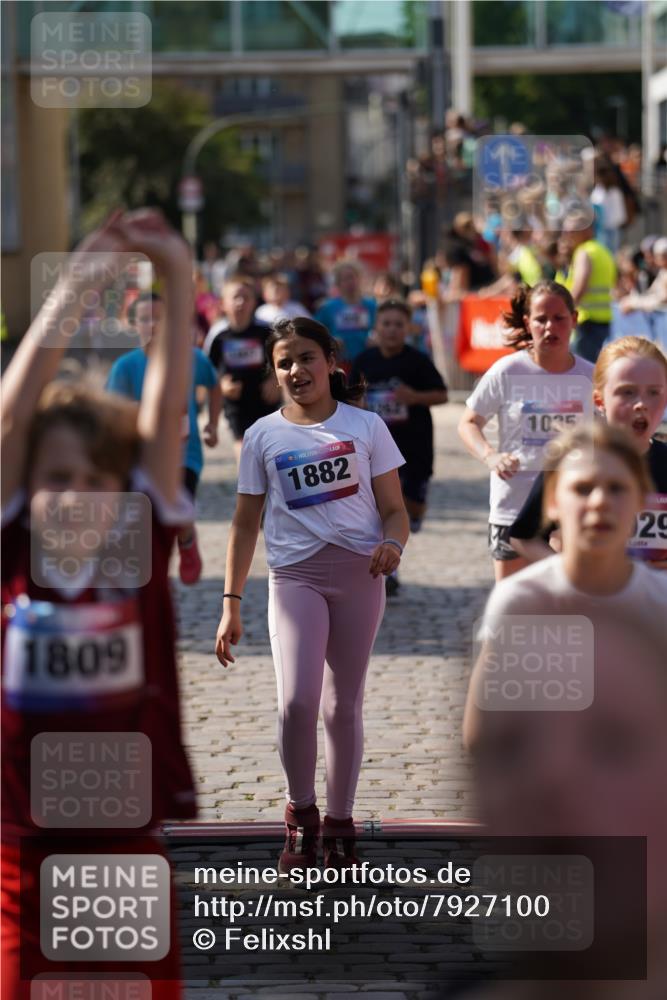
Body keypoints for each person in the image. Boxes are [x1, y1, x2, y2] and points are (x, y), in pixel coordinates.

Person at [1, 209, 197, 998]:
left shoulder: (134, 545)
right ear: (27, 488)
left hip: (123, 842)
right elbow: (12, 414)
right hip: (20, 848)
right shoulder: (12, 548)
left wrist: (174, 272)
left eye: (95, 481)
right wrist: (78, 286)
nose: (76, 495)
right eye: (57, 479)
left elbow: (166, 409)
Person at [461, 422, 667, 1000]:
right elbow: (482, 735)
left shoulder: (658, 606)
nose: (598, 502)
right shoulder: (525, 602)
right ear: (552, 502)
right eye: (581, 488)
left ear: (641, 500)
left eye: (616, 488)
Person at [214, 316, 408, 872]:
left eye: (306, 358)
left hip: (359, 577)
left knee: (341, 705)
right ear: (274, 374)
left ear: (330, 362)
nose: (297, 370)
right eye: (284, 363)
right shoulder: (262, 435)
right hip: (294, 579)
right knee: (297, 702)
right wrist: (230, 603)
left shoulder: (366, 426)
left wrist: (393, 543)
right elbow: (244, 524)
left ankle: (341, 822)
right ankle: (301, 815)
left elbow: (394, 509)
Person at [458, 280, 594, 581]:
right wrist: (490, 456)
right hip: (513, 506)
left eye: (559, 318)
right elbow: (469, 422)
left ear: (574, 319)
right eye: (541, 319)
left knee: (564, 597)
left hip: (569, 506)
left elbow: (612, 436)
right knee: (514, 602)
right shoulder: (507, 371)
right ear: (527, 322)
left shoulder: (591, 377)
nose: (550, 327)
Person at [510, 335, 667, 569]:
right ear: (599, 400)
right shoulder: (574, 460)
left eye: (654, 392)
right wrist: (571, 572)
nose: (641, 403)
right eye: (627, 392)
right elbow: (523, 536)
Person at [107, 291, 222, 584]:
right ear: (134, 324)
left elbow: (214, 384)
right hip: (143, 455)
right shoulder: (125, 367)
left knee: (176, 507)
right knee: (151, 521)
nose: (153, 325)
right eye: (146, 319)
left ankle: (186, 541)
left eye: (160, 318)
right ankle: (157, 570)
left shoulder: (191, 359)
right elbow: (112, 411)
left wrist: (212, 424)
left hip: (186, 454)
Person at [351, 298, 448, 595]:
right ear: (376, 327)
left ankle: (413, 517)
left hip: (414, 444)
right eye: (386, 324)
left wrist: (414, 397)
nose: (392, 330)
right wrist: (358, 405)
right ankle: (389, 569)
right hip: (375, 447)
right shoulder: (364, 361)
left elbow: (442, 394)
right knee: (384, 507)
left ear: (408, 329)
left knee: (412, 503)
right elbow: (348, 398)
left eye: (398, 325)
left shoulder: (417, 360)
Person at [204, 275, 280, 462]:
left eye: (246, 297)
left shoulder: (266, 333)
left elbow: (281, 361)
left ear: (254, 302)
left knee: (267, 447)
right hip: (236, 403)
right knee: (243, 444)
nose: (240, 302)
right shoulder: (220, 337)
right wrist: (222, 385)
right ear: (223, 304)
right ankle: (245, 478)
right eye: (235, 297)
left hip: (264, 399)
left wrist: (274, 380)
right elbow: (210, 372)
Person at [561, 211, 617, 363]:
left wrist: (561, 312)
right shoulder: (603, 251)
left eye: (572, 231)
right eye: (565, 231)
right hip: (604, 321)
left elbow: (579, 288)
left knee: (583, 369)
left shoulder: (584, 252)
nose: (567, 235)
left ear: (587, 230)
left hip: (587, 322)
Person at [315, 260, 376, 366]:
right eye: (345, 279)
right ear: (338, 284)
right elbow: (315, 331)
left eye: (352, 277)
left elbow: (380, 328)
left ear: (359, 279)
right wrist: (330, 340)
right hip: (340, 363)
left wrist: (376, 337)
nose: (350, 282)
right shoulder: (328, 307)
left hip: (368, 360)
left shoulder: (372, 305)